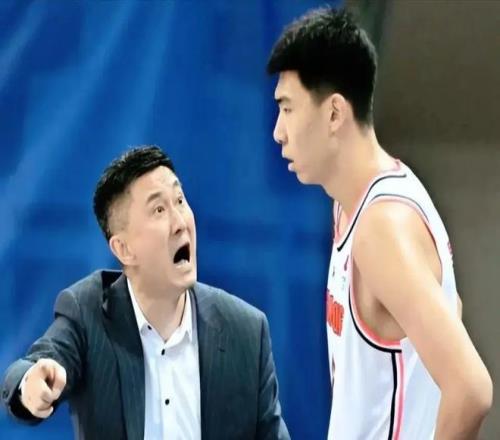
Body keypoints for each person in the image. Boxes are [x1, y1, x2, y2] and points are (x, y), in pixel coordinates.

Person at [267, 7, 492, 440]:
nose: (278, 131)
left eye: (288, 109)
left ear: (335, 113)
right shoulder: (353, 206)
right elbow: (448, 308)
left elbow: (471, 389)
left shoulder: (381, 228)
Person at [2, 146, 289, 440]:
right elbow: (34, 366)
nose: (180, 223)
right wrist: (30, 384)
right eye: (159, 210)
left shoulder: (246, 331)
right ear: (124, 249)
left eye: (180, 200)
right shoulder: (88, 313)